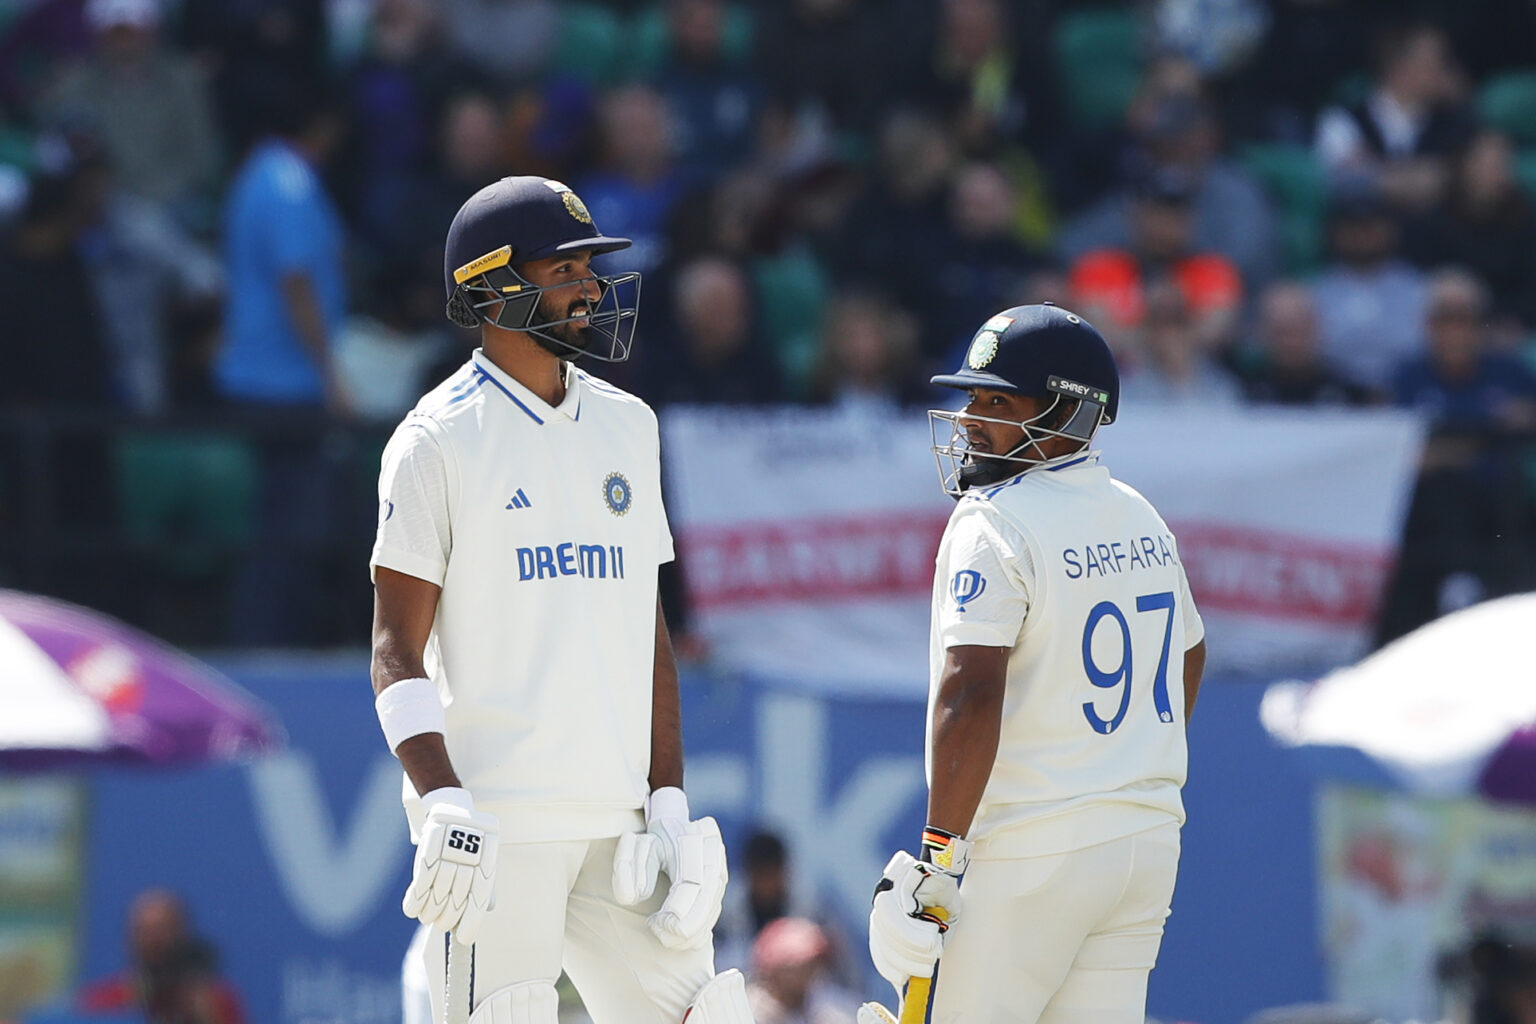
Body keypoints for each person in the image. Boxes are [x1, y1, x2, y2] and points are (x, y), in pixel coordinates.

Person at [368, 175, 755, 1024]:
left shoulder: (630, 424)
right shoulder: (435, 440)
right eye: (565, 268)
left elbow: (645, 627)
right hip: (498, 821)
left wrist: (669, 800)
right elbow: (395, 650)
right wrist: (442, 800)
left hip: (620, 818)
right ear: (492, 287)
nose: (590, 285)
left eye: (591, 266)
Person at [860, 304, 1206, 1023]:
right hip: (1143, 841)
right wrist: (1124, 760)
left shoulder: (993, 518)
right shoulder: (1139, 512)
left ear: (1069, 413)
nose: (969, 418)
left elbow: (971, 694)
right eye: (971, 397)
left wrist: (939, 859)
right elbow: (1191, 653)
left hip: (1031, 851)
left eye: (997, 401)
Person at [76, 888, 246, 1024]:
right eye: (144, 932)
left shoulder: (215, 1003)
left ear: (182, 935)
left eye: (162, 930)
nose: (154, 942)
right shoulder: (100, 1005)